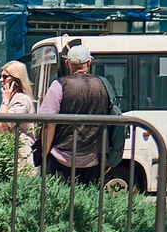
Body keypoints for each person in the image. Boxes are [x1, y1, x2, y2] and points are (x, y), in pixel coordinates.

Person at [37, 42, 114, 182]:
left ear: (67, 64)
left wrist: (44, 153)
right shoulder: (103, 85)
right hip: (94, 157)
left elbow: (49, 123)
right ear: (89, 62)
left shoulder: (59, 85)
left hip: (61, 157)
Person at [0, 60, 37, 171]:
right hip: (9, 152)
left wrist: (5, 100)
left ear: (17, 80)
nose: (1, 80)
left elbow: (3, 124)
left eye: (5, 77)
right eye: (0, 76)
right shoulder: (12, 98)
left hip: (20, 154)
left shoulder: (22, 100)